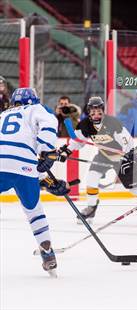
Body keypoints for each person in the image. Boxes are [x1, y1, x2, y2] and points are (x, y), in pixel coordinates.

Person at [0, 87, 72, 277]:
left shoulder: (2, 115)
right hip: (24, 166)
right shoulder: (36, 109)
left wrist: (46, 178)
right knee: (34, 210)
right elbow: (49, 125)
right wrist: (47, 150)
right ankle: (47, 252)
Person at [57, 96, 137, 223]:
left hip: (121, 158)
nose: (96, 115)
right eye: (93, 113)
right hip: (104, 156)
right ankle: (91, 207)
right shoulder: (85, 124)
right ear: (89, 113)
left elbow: (128, 141)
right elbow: (78, 141)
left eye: (99, 112)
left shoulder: (113, 123)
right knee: (91, 177)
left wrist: (129, 155)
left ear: (103, 111)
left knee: (135, 189)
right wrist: (67, 151)